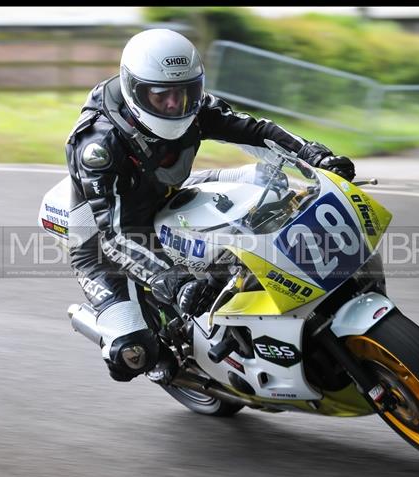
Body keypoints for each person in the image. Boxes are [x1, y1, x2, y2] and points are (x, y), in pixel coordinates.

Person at [64, 29, 356, 384]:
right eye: (162, 97)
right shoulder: (98, 146)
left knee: (272, 185)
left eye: (185, 93)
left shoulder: (194, 106)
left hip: (170, 195)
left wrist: (315, 155)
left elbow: (253, 130)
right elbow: (116, 234)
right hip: (101, 240)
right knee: (134, 353)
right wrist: (173, 281)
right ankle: (142, 342)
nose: (176, 105)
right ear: (135, 91)